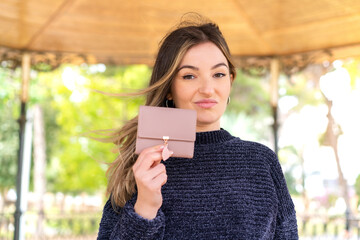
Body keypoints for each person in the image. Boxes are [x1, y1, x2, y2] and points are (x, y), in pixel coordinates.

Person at [97, 15, 298, 240]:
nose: (207, 89)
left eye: (218, 74)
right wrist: (145, 207)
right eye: (189, 76)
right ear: (169, 87)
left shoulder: (262, 162)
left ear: (230, 80)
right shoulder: (143, 166)